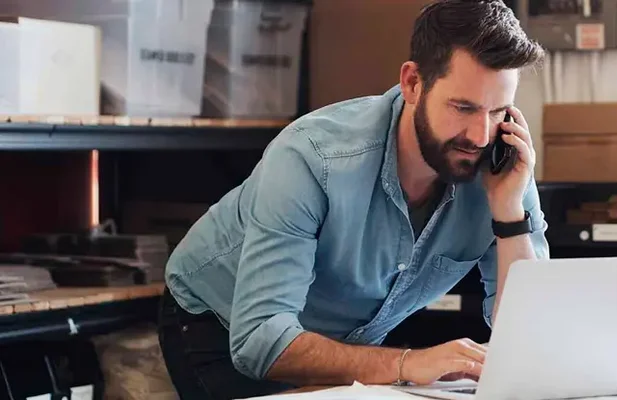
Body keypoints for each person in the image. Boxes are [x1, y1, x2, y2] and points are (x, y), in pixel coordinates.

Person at [156, 1, 549, 398]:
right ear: (413, 83)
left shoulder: (502, 165)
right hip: (219, 323)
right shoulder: (313, 157)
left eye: (498, 111)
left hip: (341, 341)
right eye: (463, 108)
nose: (480, 136)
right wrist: (407, 364)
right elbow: (260, 341)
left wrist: (510, 216)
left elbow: (532, 334)